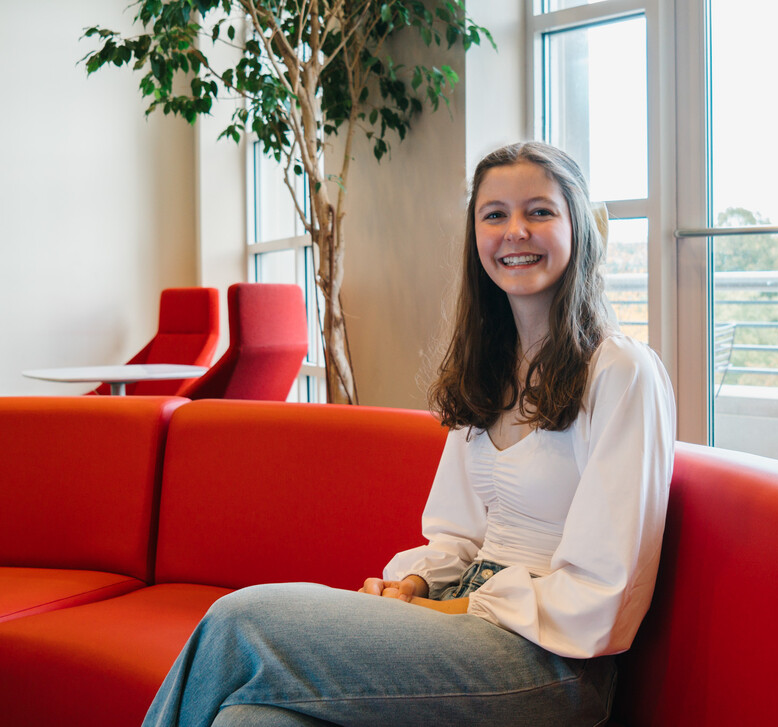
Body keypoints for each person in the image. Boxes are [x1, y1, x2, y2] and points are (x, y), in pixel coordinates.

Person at [142, 141, 676, 727]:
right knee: (250, 720)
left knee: (239, 620)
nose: (515, 231)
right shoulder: (489, 369)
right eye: (494, 214)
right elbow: (456, 534)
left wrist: (453, 608)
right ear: (476, 238)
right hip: (468, 626)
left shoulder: (621, 370)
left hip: (553, 663)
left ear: (577, 227)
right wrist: (417, 582)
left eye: (540, 212)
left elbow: (605, 590)